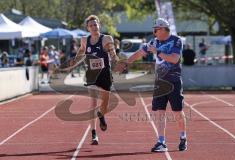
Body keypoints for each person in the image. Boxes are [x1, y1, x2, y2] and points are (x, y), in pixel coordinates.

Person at [118, 18, 187, 152]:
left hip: (173, 81)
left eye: (155, 29)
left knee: (177, 112)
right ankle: (161, 141)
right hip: (160, 82)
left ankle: (183, 137)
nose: (154, 32)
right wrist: (126, 62)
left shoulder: (176, 40)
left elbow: (174, 59)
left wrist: (157, 52)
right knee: (160, 112)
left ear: (162, 29)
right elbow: (139, 53)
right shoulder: (154, 41)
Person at [73, 15, 119, 145]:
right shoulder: (84, 40)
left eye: (95, 24)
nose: (94, 27)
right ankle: (94, 135)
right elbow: (81, 51)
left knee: (105, 102)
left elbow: (113, 55)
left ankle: (101, 114)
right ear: (87, 28)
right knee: (92, 103)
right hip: (92, 74)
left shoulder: (106, 39)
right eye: (91, 25)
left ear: (99, 25)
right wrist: (75, 61)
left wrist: (117, 61)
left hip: (105, 74)